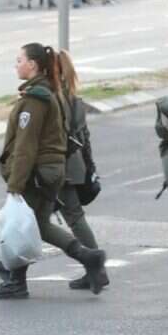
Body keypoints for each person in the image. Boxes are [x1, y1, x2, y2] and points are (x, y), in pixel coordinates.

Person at [0, 43, 107, 299]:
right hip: (50, 172)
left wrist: (15, 185)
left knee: (19, 224)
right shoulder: (43, 93)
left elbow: (26, 146)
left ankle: (16, 282)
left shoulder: (35, 99)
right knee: (38, 224)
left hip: (38, 174)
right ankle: (88, 257)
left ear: (33, 65)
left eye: (19, 60)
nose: (16, 64)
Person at [55, 51, 107, 290]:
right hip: (74, 164)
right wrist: (89, 166)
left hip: (58, 167)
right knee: (71, 217)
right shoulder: (73, 97)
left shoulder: (55, 98)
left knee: (33, 218)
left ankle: (95, 267)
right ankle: (96, 268)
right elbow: (85, 137)